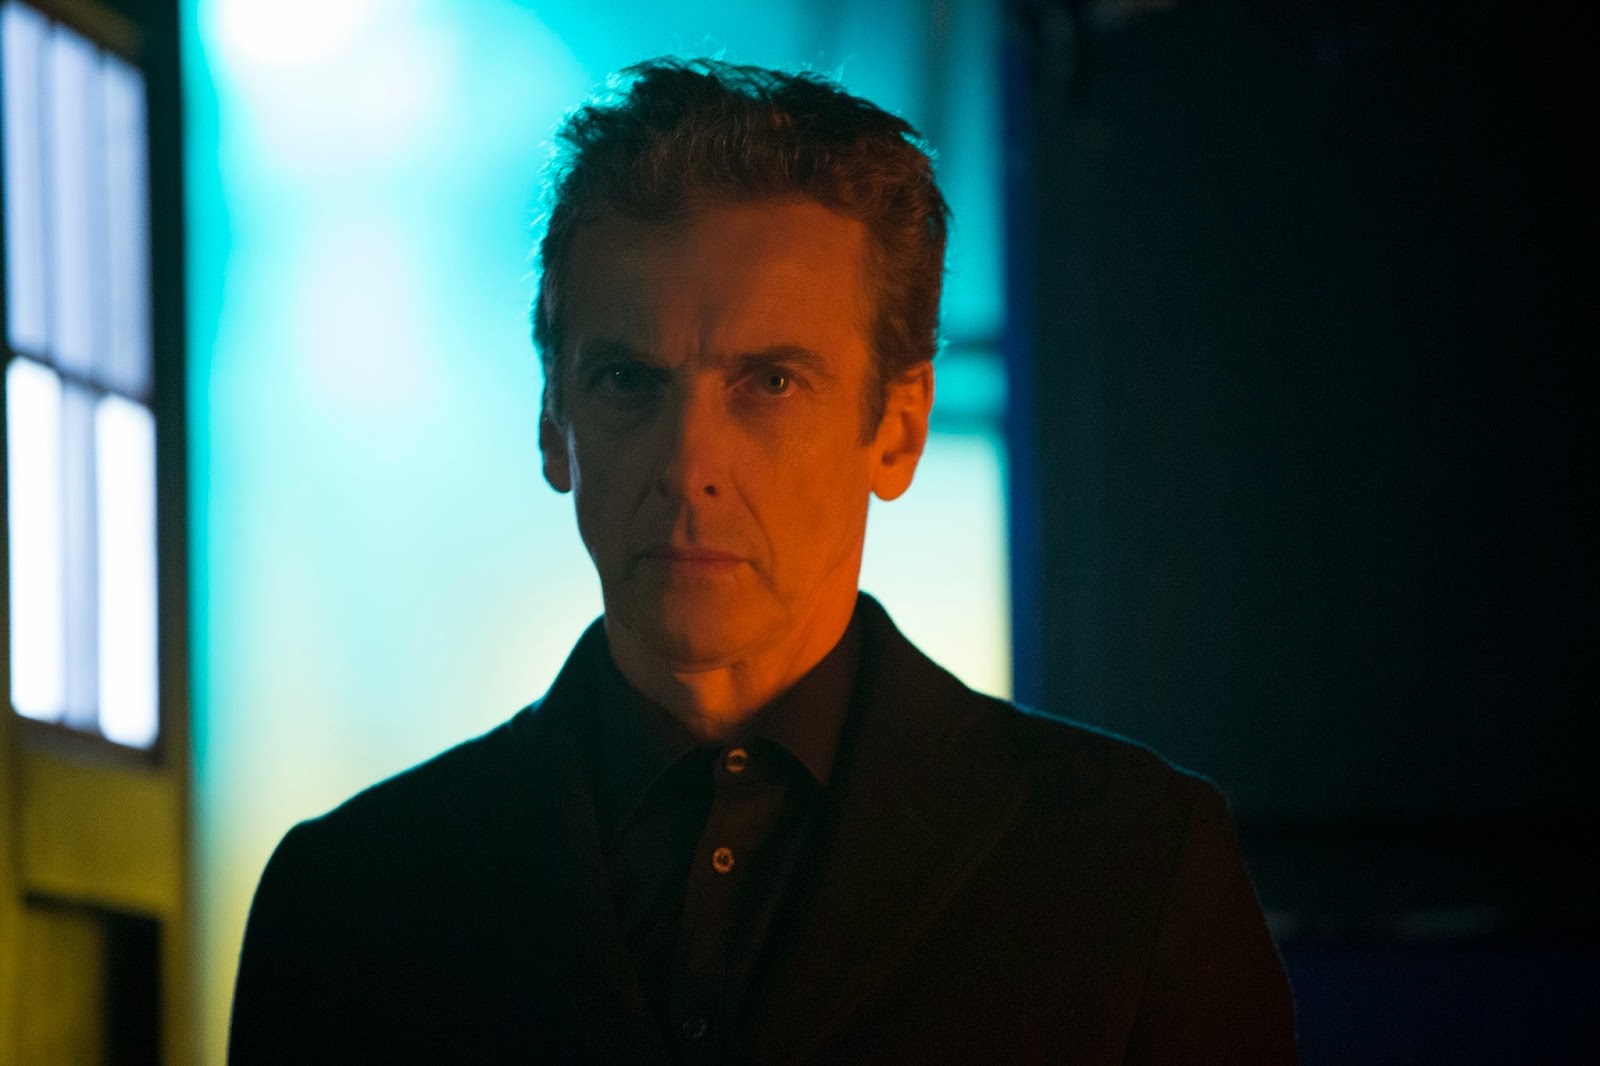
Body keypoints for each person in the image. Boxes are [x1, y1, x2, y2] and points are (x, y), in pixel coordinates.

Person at [228, 58, 1297, 1064]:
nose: (689, 465)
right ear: (555, 425)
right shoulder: (350, 900)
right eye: (629, 381)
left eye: (771, 383)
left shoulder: (1132, 864)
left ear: (898, 429)